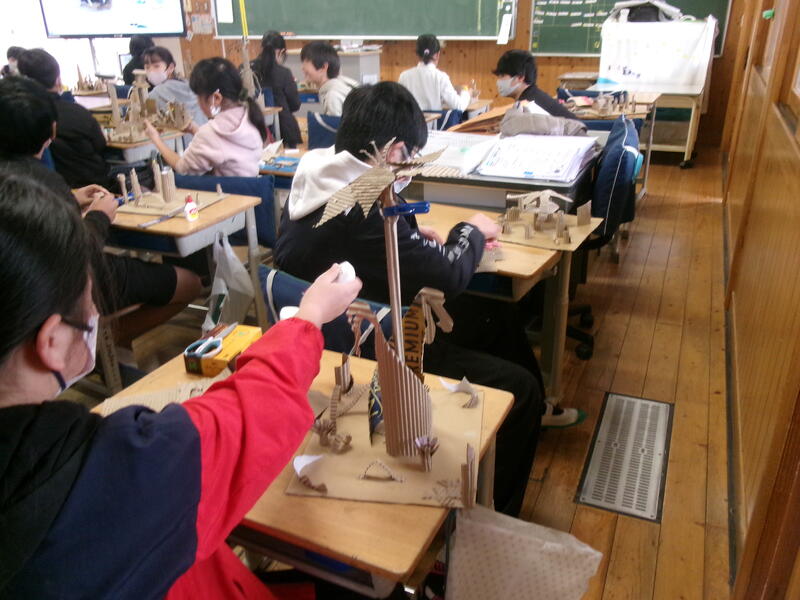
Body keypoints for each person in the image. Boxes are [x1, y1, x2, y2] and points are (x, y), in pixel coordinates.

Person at [0, 171, 363, 598]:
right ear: (51, 342)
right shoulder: (116, 474)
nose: (95, 314)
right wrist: (309, 318)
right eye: (90, 299)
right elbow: (250, 414)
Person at [274, 81, 547, 517]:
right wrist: (471, 229)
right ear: (396, 150)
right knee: (523, 389)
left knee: (494, 316)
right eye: (410, 157)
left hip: (334, 331)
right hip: (382, 349)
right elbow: (450, 274)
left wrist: (410, 236)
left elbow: (362, 242)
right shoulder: (366, 205)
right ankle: (490, 514)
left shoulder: (318, 175)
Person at [0, 76, 201, 318]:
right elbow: (73, 252)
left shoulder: (20, 178)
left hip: (26, 285)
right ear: (52, 129)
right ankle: (107, 338)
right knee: (192, 284)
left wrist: (72, 198)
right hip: (65, 278)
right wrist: (99, 216)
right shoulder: (40, 181)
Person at [146, 57, 267, 177]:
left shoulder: (211, 132)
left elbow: (182, 167)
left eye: (198, 97)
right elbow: (220, 144)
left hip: (226, 189)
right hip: (251, 186)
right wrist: (194, 130)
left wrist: (156, 139)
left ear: (216, 98)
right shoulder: (249, 116)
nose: (198, 102)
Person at [16, 48, 110, 188]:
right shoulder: (77, 113)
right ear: (58, 80)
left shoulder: (20, 118)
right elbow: (101, 146)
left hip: (52, 188)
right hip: (93, 185)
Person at [493, 49, 578, 120]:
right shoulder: (534, 95)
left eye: (502, 76)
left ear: (520, 77)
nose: (498, 82)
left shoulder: (529, 104)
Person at [252, 30, 303, 147]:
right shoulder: (284, 73)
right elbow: (295, 105)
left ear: (261, 48)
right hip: (284, 132)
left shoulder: (246, 68)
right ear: (281, 52)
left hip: (253, 130)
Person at [398, 34, 473, 112]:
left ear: (417, 54)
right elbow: (459, 106)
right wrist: (466, 94)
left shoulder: (404, 76)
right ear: (437, 55)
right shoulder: (441, 77)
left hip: (410, 120)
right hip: (433, 120)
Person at [143, 46, 207, 129]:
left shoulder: (155, 94)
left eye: (156, 66)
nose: (151, 71)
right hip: (204, 133)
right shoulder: (190, 85)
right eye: (147, 67)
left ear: (171, 68)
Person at [300, 41, 357, 117]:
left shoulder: (333, 96)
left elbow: (335, 124)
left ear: (323, 67)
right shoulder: (344, 84)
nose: (302, 68)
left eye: (306, 62)